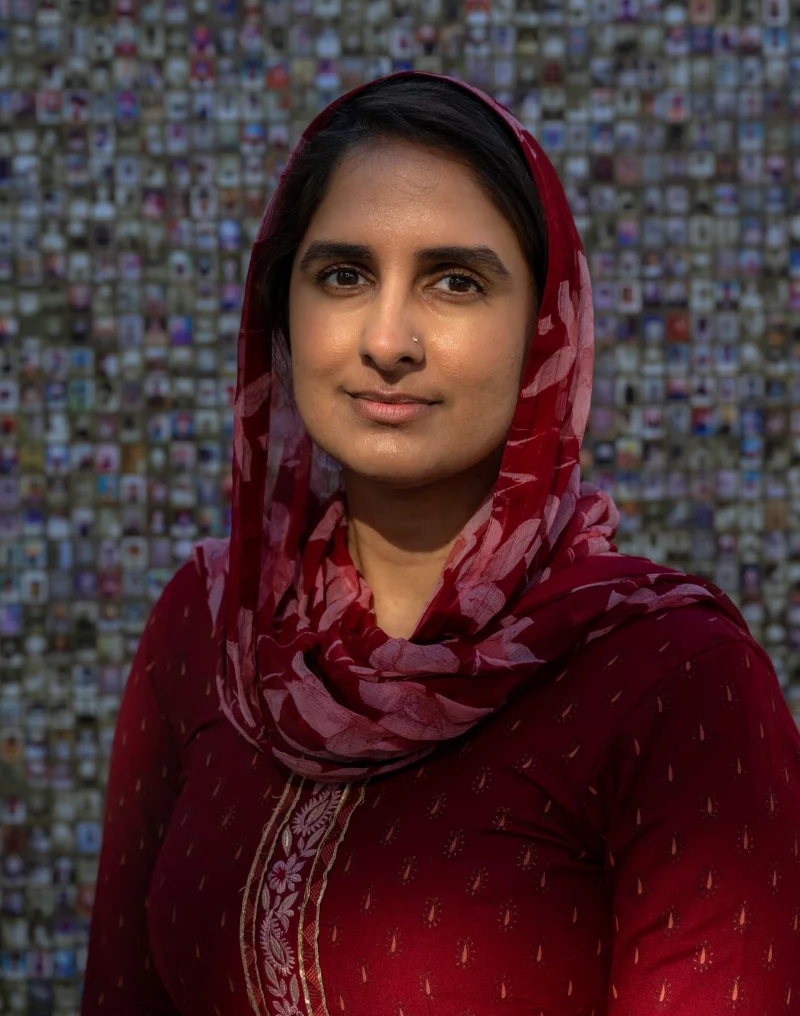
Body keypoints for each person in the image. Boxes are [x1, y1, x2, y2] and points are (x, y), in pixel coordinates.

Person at [81, 72, 800, 1015]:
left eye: (455, 281)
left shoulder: (669, 676)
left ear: (546, 326)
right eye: (342, 274)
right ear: (282, 314)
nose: (388, 339)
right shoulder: (213, 621)